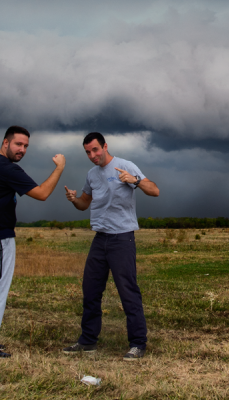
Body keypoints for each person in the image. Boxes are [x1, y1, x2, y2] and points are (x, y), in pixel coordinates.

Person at [0, 125, 65, 357]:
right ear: (5, 142)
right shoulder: (7, 169)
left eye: (26, 146)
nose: (22, 149)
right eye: (18, 144)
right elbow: (42, 193)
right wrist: (59, 167)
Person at [63, 132, 159, 360]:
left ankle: (138, 343)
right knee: (91, 291)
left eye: (95, 150)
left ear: (105, 146)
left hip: (122, 239)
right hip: (100, 239)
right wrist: (74, 199)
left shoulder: (125, 166)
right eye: (88, 152)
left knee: (128, 291)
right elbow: (84, 204)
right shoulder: (92, 174)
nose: (92, 155)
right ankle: (88, 341)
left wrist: (135, 180)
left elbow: (155, 190)